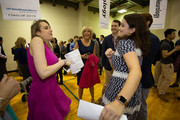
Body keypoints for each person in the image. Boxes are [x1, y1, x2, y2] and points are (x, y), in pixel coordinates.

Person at [100, 13, 150, 120]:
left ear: (132, 30)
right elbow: (119, 70)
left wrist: (119, 102)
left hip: (119, 90)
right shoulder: (135, 43)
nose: (119, 28)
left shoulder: (124, 43)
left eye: (122, 25)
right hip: (132, 91)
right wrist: (110, 57)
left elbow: (136, 71)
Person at [27, 19, 71, 120]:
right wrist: (63, 62)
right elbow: (43, 72)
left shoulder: (48, 45)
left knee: (64, 111)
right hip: (42, 92)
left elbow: (51, 65)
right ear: (37, 32)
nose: (50, 30)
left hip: (52, 88)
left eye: (50, 27)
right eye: (46, 28)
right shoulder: (36, 40)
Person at [136, 13, 160, 120]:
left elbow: (146, 61)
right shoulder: (136, 37)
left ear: (147, 23)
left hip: (143, 79)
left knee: (141, 106)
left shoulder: (153, 39)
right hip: (133, 77)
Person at [96, 20, 121, 104]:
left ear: (119, 27)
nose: (113, 27)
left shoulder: (123, 38)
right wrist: (104, 64)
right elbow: (103, 52)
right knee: (107, 84)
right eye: (112, 26)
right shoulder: (106, 39)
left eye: (115, 26)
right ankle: (102, 98)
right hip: (108, 66)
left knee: (117, 84)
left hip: (119, 66)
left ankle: (113, 99)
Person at [74, 26, 100, 103]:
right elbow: (74, 54)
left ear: (90, 33)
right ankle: (80, 100)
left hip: (90, 66)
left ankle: (92, 99)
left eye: (88, 31)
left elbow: (94, 54)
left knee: (91, 84)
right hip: (81, 66)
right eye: (85, 31)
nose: (87, 33)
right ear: (83, 33)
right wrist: (82, 56)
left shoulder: (93, 43)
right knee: (81, 85)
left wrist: (92, 58)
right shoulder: (78, 42)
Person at [157, 29, 180, 102]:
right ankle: (161, 92)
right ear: (168, 35)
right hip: (166, 63)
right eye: (173, 34)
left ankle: (160, 89)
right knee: (168, 79)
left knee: (163, 77)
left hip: (166, 63)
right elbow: (164, 55)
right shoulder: (165, 44)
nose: (174, 35)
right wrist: (175, 50)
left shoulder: (170, 43)